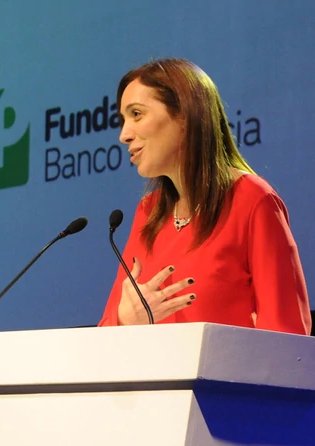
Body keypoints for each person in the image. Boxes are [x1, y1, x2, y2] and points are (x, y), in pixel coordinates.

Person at [98, 58, 311, 336]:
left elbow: (286, 334)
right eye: (123, 120)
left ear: (184, 115)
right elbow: (104, 334)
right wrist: (125, 321)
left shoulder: (252, 200)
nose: (124, 135)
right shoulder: (148, 210)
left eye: (137, 114)